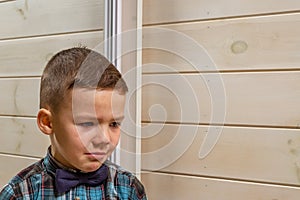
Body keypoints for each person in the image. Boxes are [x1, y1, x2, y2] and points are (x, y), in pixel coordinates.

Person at [0, 47, 147, 199]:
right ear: (48, 122)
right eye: (88, 124)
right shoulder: (18, 194)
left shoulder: (129, 189)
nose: (104, 139)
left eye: (114, 124)